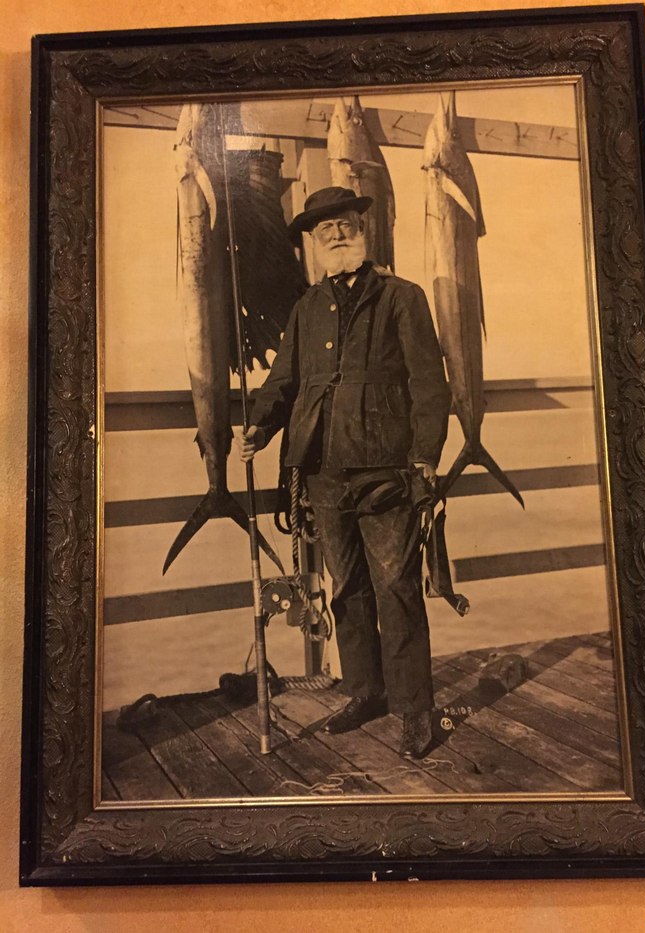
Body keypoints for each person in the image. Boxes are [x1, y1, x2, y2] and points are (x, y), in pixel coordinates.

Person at [235, 186, 451, 758]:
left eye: (344, 224)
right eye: (323, 228)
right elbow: (284, 381)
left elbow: (430, 383)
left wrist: (425, 456)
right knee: (346, 587)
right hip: (321, 471)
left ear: (363, 230)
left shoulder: (402, 297)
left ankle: (415, 709)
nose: (335, 234)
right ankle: (365, 690)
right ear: (312, 241)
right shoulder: (306, 308)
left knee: (396, 588)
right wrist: (259, 426)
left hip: (387, 470)